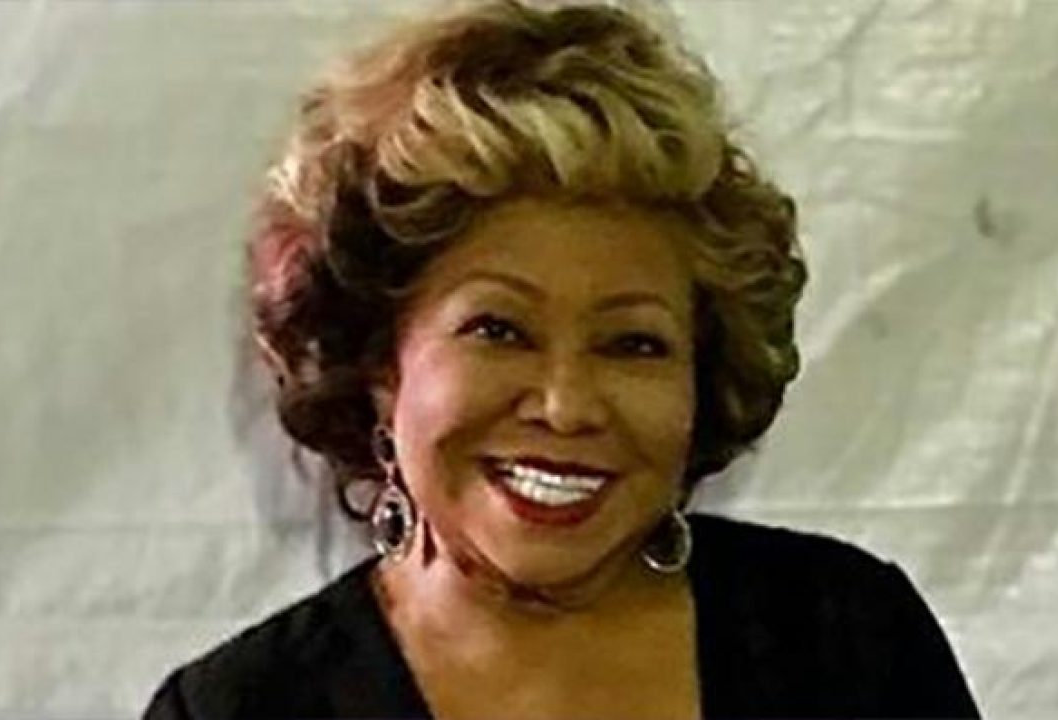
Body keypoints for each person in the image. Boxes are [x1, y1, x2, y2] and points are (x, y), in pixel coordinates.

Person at [144, 1, 981, 718]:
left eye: (633, 344)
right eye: (499, 330)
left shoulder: (846, 640)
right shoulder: (241, 710)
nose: (567, 405)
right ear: (379, 363)